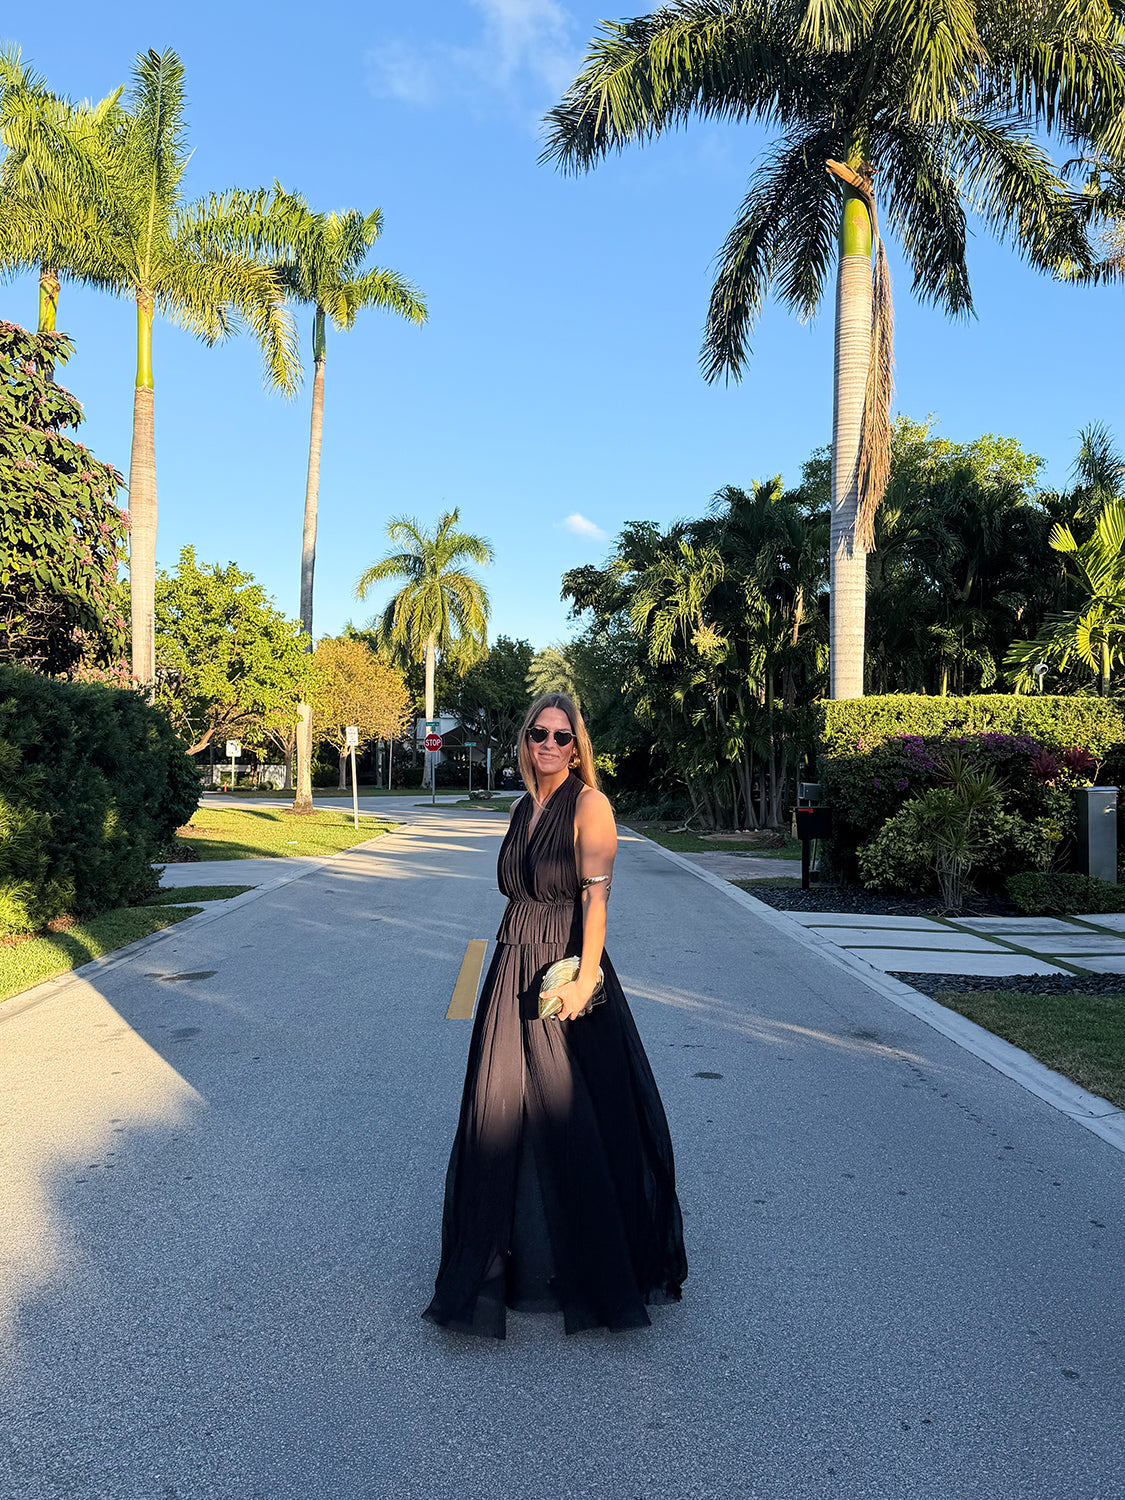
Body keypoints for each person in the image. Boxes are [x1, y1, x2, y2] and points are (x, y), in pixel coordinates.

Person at [423, 692, 687, 1338]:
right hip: (511, 962)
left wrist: (586, 979)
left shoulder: (590, 805)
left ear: (576, 746)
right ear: (525, 741)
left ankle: (596, 1269)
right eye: (538, 733)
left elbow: (597, 900)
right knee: (498, 1108)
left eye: (561, 736)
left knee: (572, 1113)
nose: (548, 744)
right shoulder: (522, 807)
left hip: (562, 968)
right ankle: (506, 1266)